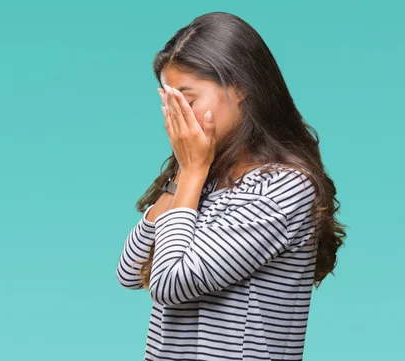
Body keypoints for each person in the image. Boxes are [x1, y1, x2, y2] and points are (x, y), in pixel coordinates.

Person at [115, 11, 347, 361]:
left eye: (187, 101)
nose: (177, 119)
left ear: (240, 89)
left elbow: (168, 284)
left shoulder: (282, 188)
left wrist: (192, 172)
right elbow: (130, 270)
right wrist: (185, 176)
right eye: (169, 104)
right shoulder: (203, 176)